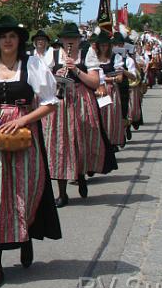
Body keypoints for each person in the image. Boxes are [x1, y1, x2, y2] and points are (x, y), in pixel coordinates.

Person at [0, 16, 61, 288]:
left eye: (13, 36)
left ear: (19, 40)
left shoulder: (32, 64)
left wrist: (22, 119)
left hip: (24, 137)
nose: (8, 40)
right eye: (3, 36)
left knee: (23, 191)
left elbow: (50, 103)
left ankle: (25, 235)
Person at [42, 23, 111, 207]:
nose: (69, 42)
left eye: (73, 39)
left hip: (81, 100)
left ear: (79, 40)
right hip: (59, 101)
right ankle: (62, 193)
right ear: (62, 40)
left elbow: (95, 82)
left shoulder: (87, 53)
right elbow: (42, 79)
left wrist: (76, 70)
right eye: (66, 39)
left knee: (80, 142)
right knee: (60, 146)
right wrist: (53, 77)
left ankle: (80, 175)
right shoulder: (53, 54)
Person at [93, 31, 126, 149]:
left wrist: (106, 79)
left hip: (110, 90)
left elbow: (120, 78)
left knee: (111, 115)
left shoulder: (115, 57)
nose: (103, 47)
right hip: (96, 89)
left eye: (105, 45)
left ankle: (111, 141)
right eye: (101, 45)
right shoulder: (93, 59)